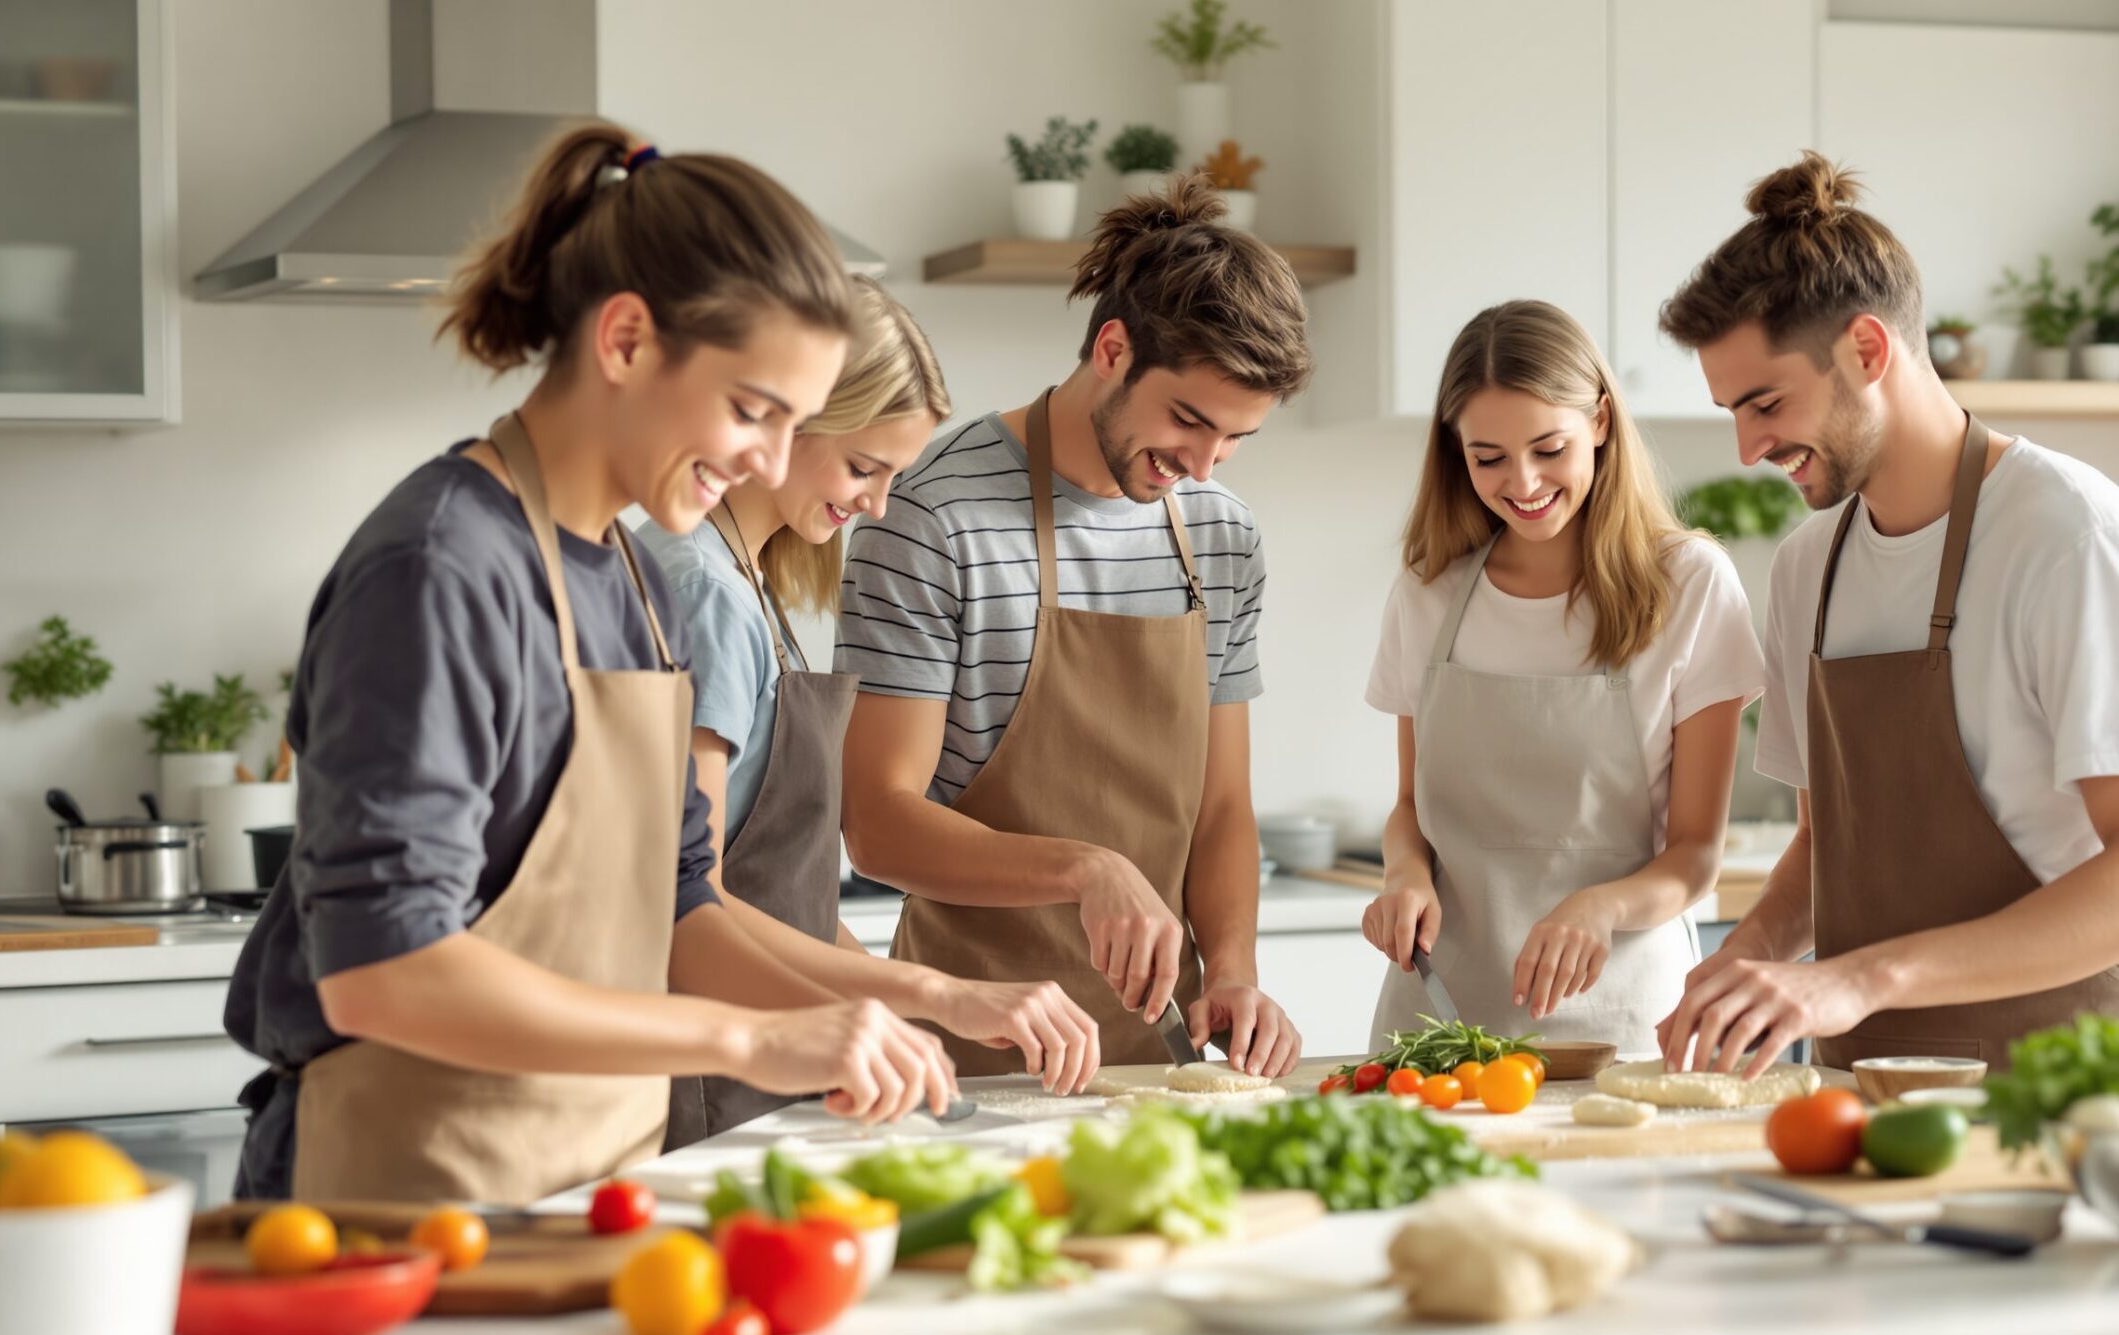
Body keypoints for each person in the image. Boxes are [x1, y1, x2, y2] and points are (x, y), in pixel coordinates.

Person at [224, 124, 955, 1204]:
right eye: (751, 410)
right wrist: (747, 1040)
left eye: (791, 424)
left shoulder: (635, 583)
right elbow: (383, 970)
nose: (766, 458)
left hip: (581, 1179)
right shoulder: (441, 567)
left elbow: (682, 903)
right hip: (396, 1193)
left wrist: (854, 1016)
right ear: (625, 341)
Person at [1654, 153, 2119, 1077]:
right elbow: (1826, 847)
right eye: (1733, 412)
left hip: (2068, 1088)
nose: (1749, 446)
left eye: (1766, 403)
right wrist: (1740, 965)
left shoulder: (2070, 539)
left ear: (1867, 351)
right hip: (1857, 1090)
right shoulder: (1808, 569)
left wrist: (1862, 978)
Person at [837, 177, 1310, 1076]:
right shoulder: (933, 518)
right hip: (970, 1051)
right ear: (1112, 348)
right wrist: (1086, 868)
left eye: (1235, 439)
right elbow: (878, 823)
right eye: (1188, 420)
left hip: (1159, 1058)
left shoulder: (1221, 534)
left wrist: (1234, 970)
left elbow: (1221, 807)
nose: (1202, 465)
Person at [639, 281, 1101, 1147]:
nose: (877, 506)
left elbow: (788, 897)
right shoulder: (703, 594)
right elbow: (686, 897)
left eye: (893, 476)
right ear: (788, 423)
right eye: (863, 468)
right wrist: (935, 993)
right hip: (707, 1070)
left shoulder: (746, 581)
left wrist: (919, 1013)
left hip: (761, 1060)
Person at [1358, 301, 1761, 1056]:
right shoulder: (1428, 594)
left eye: (1549, 448)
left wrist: (1600, 908)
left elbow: (1695, 856)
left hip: (1623, 1024)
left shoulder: (1690, 585)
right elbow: (1410, 808)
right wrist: (1404, 874)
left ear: (1601, 421)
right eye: (1488, 458)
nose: (1524, 481)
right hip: (1437, 1021)